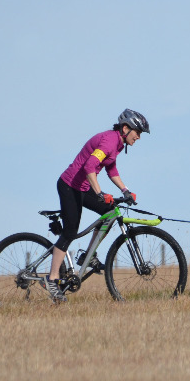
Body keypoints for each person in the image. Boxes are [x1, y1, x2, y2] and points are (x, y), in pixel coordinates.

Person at [41, 108, 150, 302]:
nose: (139, 137)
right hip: (69, 186)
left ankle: (88, 256)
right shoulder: (109, 141)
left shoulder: (117, 143)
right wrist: (99, 193)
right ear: (126, 128)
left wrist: (125, 190)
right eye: (138, 133)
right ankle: (52, 279)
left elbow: (111, 168)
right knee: (70, 232)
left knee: (109, 211)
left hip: (83, 187)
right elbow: (89, 166)